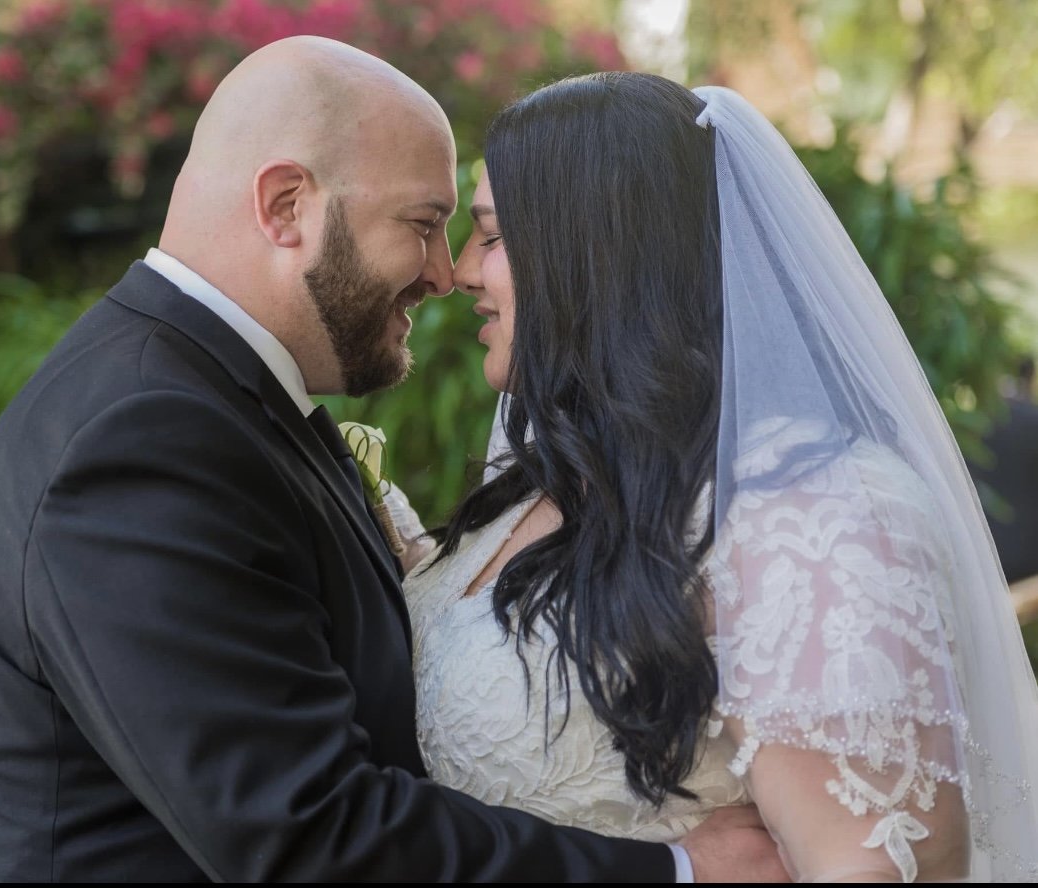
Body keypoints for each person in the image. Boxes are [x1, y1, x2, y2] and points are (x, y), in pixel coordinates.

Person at [0, 38, 785, 882]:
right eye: (423, 225)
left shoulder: (219, 398)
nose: (443, 273)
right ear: (285, 206)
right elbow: (304, 833)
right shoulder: (144, 437)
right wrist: (675, 870)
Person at [401, 72, 1038, 883]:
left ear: (595, 251)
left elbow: (880, 865)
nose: (458, 273)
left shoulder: (807, 511)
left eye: (491, 239)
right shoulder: (538, 492)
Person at [967, 356, 1038, 584]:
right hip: (1029, 554)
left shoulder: (973, 420)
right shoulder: (1034, 420)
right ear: (1029, 378)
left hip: (981, 548)